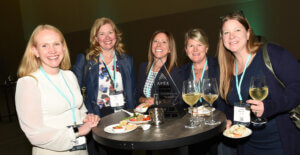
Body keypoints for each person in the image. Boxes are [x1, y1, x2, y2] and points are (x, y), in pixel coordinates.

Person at [217, 11, 300, 154]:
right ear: (222, 39)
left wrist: (269, 107)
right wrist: (229, 120)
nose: (232, 36)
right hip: (247, 145)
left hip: (279, 143)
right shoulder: (226, 69)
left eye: (237, 30)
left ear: (248, 33)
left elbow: (297, 86)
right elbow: (234, 105)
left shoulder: (272, 53)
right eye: (226, 33)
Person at [15, 24, 100, 155]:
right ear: (35, 51)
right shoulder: (28, 83)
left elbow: (79, 110)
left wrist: (87, 118)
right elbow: (34, 134)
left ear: (63, 47)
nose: (52, 50)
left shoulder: (70, 76)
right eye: (44, 45)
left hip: (81, 149)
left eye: (56, 44)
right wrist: (78, 131)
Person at [72, 17, 136, 154]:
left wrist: (135, 115)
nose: (107, 37)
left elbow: (132, 91)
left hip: (123, 116)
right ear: (95, 38)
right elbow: (74, 92)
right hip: (98, 117)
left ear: (116, 35)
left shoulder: (126, 60)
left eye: (110, 32)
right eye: (102, 34)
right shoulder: (85, 60)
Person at [181, 28, 235, 155]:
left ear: (206, 48)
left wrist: (229, 119)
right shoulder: (181, 72)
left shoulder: (221, 67)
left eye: (199, 45)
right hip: (193, 133)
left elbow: (231, 98)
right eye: (191, 45)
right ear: (186, 50)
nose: (195, 49)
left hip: (218, 130)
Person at [136, 30, 182, 106]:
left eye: (164, 42)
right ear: (151, 46)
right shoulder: (143, 67)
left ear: (170, 49)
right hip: (144, 116)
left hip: (165, 116)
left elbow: (179, 99)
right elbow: (137, 95)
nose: (158, 45)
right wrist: (145, 100)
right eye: (155, 41)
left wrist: (157, 101)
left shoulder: (174, 72)